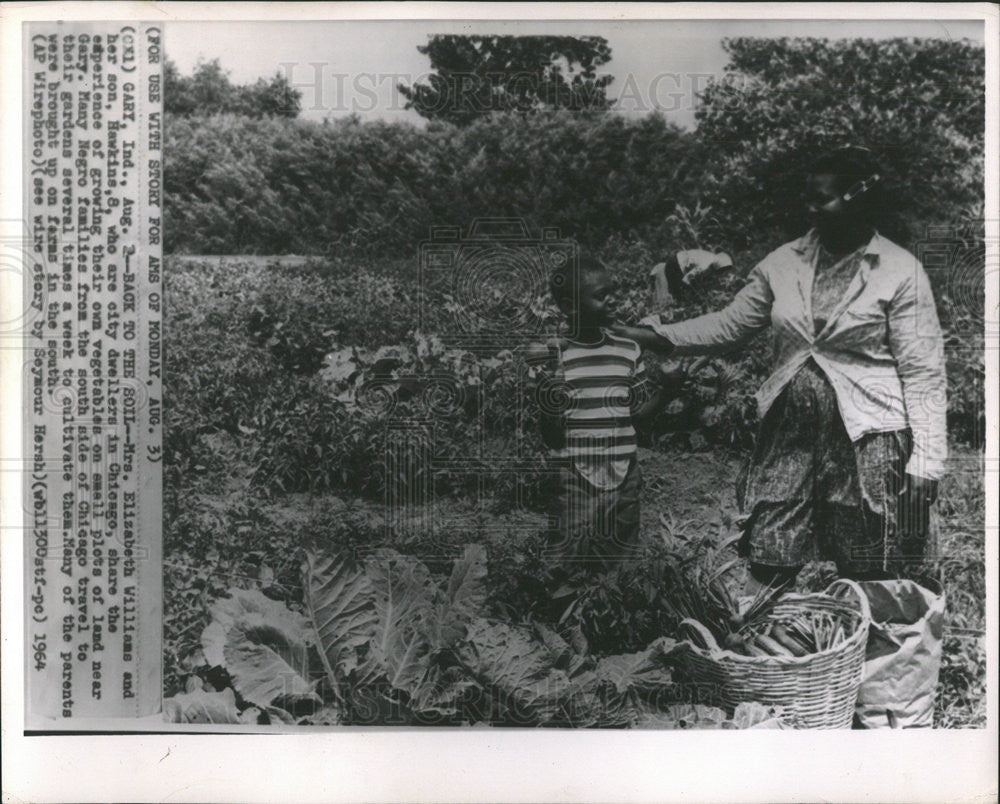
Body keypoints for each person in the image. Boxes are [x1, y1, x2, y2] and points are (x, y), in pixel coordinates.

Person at [613, 146, 947, 591]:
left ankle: (864, 653)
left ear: (858, 196)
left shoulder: (900, 271)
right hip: (790, 432)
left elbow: (924, 372)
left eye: (821, 198)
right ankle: (769, 653)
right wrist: (650, 335)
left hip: (869, 437)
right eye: (806, 197)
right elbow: (730, 325)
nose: (809, 208)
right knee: (769, 554)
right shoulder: (785, 261)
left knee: (868, 566)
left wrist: (925, 464)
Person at [526, 254, 661, 582]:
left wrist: (667, 391)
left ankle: (609, 620)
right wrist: (548, 402)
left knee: (619, 564)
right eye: (602, 295)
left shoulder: (628, 350)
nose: (613, 300)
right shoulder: (558, 356)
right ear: (572, 307)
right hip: (574, 476)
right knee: (565, 562)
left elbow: (640, 419)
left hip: (625, 473)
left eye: (612, 291)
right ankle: (562, 627)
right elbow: (552, 437)